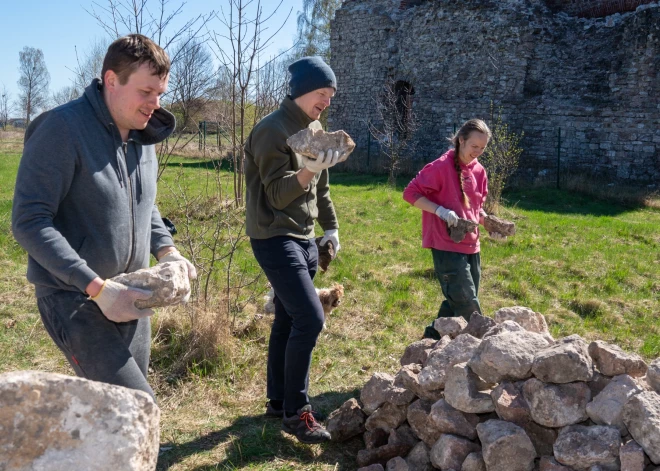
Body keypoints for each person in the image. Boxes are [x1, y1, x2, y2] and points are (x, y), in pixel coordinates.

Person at [11, 34, 195, 401]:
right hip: (74, 298)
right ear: (112, 80)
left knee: (122, 417)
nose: (154, 104)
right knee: (137, 407)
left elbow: (146, 206)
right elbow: (29, 221)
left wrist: (168, 252)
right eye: (146, 92)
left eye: (160, 93)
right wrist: (97, 287)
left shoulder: (143, 138)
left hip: (133, 292)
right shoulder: (61, 129)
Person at [244, 56, 342, 444]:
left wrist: (330, 228)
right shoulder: (272, 130)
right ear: (302, 90)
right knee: (310, 318)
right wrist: (310, 168)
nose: (327, 102)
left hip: (305, 237)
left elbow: (322, 188)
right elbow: (278, 194)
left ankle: (277, 401)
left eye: (331, 95)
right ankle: (297, 412)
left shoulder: (313, 128)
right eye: (322, 94)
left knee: (287, 320)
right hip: (273, 236)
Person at [403, 119, 492, 339]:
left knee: (457, 304)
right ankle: (486, 351)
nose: (478, 152)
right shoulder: (440, 167)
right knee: (468, 306)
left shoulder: (479, 171)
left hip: (472, 247)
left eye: (483, 148)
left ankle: (428, 343)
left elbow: (477, 210)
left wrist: (490, 223)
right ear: (461, 140)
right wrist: (440, 211)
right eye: (474, 147)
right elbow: (410, 194)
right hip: (446, 245)